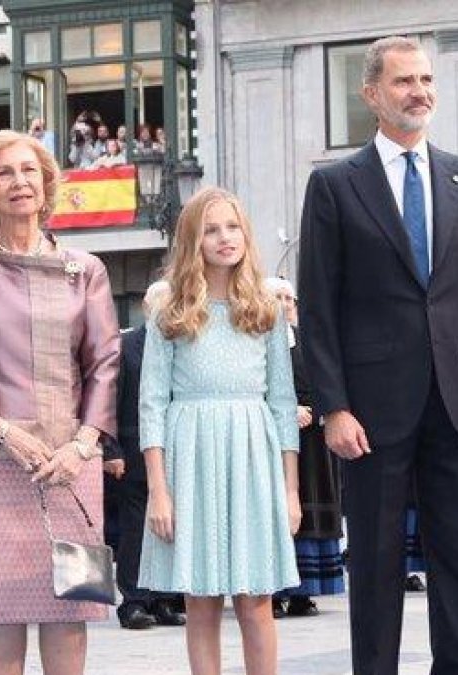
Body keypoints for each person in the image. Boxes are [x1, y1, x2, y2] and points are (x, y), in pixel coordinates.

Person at [298, 35, 458, 675]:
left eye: (425, 80)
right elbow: (318, 306)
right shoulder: (335, 185)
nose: (419, 92)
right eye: (403, 82)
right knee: (376, 562)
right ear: (372, 95)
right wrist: (333, 406)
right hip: (371, 411)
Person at [0, 129, 121, 675]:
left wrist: (83, 446)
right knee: (1, 615)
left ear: (47, 182)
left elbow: (105, 365)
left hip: (68, 464)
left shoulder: (87, 270)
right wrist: (4, 432)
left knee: (70, 611)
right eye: (5, 172)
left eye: (30, 170)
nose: (20, 182)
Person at [138, 187, 301, 675]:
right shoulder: (169, 308)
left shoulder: (266, 306)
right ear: (193, 239)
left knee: (256, 600)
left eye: (232, 227)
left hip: (253, 453)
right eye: (211, 229)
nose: (224, 238)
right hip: (191, 455)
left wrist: (290, 488)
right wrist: (158, 490)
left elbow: (283, 400)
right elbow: (151, 401)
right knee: (202, 600)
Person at [265, 276, 344, 618]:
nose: (284, 304)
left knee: (311, 515)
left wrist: (319, 410)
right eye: (277, 297)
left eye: (289, 298)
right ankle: (272, 593)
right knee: (276, 514)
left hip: (312, 444)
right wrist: (285, 409)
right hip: (273, 443)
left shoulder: (307, 341)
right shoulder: (256, 340)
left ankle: (304, 592)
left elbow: (326, 380)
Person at [108, 280, 186, 631]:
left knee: (174, 529)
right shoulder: (126, 346)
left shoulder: (184, 343)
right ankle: (135, 601)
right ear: (146, 306)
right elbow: (109, 401)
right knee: (137, 530)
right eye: (162, 304)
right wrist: (110, 450)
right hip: (134, 453)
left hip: (179, 452)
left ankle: (166, 599)